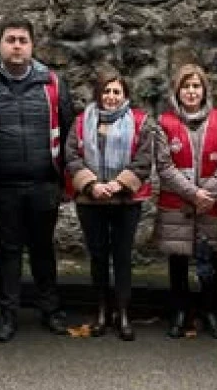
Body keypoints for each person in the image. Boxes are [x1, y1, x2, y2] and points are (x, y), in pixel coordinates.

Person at [0, 20, 75, 343]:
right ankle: (8, 314)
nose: (17, 45)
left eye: (23, 40)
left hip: (43, 184)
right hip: (1, 186)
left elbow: (69, 134)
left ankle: (50, 310)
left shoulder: (52, 83)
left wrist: (65, 181)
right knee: (7, 252)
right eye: (10, 39)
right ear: (0, 45)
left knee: (43, 250)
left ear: (32, 45)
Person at [66, 69, 155, 341]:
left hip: (126, 200)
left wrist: (119, 184)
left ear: (125, 95)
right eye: (106, 91)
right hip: (91, 200)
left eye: (117, 91)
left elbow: (143, 158)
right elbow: (71, 156)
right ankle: (102, 310)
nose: (111, 96)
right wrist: (93, 185)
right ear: (98, 94)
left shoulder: (140, 121)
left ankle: (123, 311)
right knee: (98, 256)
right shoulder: (82, 122)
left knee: (122, 256)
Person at [154, 63, 217, 339]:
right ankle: (179, 311)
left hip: (210, 203)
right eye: (186, 86)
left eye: (196, 86)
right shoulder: (165, 122)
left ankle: (210, 311)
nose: (191, 91)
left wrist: (209, 192)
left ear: (204, 90)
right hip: (178, 203)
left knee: (210, 260)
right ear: (177, 92)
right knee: (178, 260)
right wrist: (192, 193)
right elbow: (164, 166)